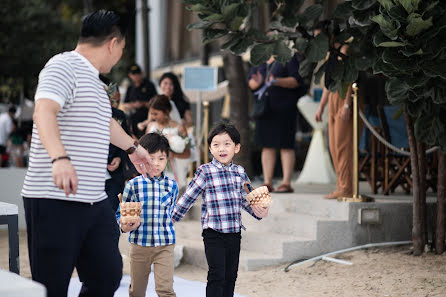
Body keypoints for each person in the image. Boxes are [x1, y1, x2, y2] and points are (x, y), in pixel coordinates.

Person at [21, 10, 153, 297]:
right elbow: (44, 111)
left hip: (94, 199)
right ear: (113, 44)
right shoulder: (62, 66)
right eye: (122, 48)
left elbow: (104, 123)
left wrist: (133, 148)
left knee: (106, 275)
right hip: (54, 196)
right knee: (51, 285)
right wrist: (60, 158)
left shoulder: (95, 82)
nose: (120, 55)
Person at [172, 123, 269, 297]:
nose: (221, 149)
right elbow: (188, 197)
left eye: (227, 144)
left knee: (231, 275)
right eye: (216, 145)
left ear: (237, 147)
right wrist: (172, 217)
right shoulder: (205, 171)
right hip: (213, 232)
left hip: (234, 231)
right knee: (217, 274)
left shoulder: (240, 172)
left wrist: (258, 211)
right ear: (210, 149)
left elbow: (246, 199)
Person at [117, 132, 178, 297]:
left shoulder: (172, 186)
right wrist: (124, 224)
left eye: (161, 158)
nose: (156, 164)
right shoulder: (133, 185)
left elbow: (171, 212)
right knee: (136, 290)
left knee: (165, 290)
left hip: (165, 244)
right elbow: (121, 212)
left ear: (167, 159)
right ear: (143, 158)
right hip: (139, 245)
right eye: (151, 158)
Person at [248, 54, 307, 193]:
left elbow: (296, 81)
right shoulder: (260, 60)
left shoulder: (288, 58)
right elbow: (251, 82)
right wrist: (257, 82)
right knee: (266, 145)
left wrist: (276, 81)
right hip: (264, 109)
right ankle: (267, 182)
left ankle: (286, 182)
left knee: (286, 145)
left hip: (284, 108)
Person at [314, 27, 353, 199]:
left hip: (344, 97)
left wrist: (347, 105)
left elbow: (351, 79)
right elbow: (328, 85)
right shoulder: (330, 55)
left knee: (343, 145)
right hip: (332, 99)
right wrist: (321, 107)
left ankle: (346, 187)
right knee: (333, 146)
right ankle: (341, 185)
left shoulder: (344, 51)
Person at [145, 95, 191, 189]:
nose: (153, 117)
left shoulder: (179, 128)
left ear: (166, 112)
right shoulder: (150, 127)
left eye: (156, 114)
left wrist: (174, 155)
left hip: (172, 172)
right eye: (152, 113)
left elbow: (188, 153)